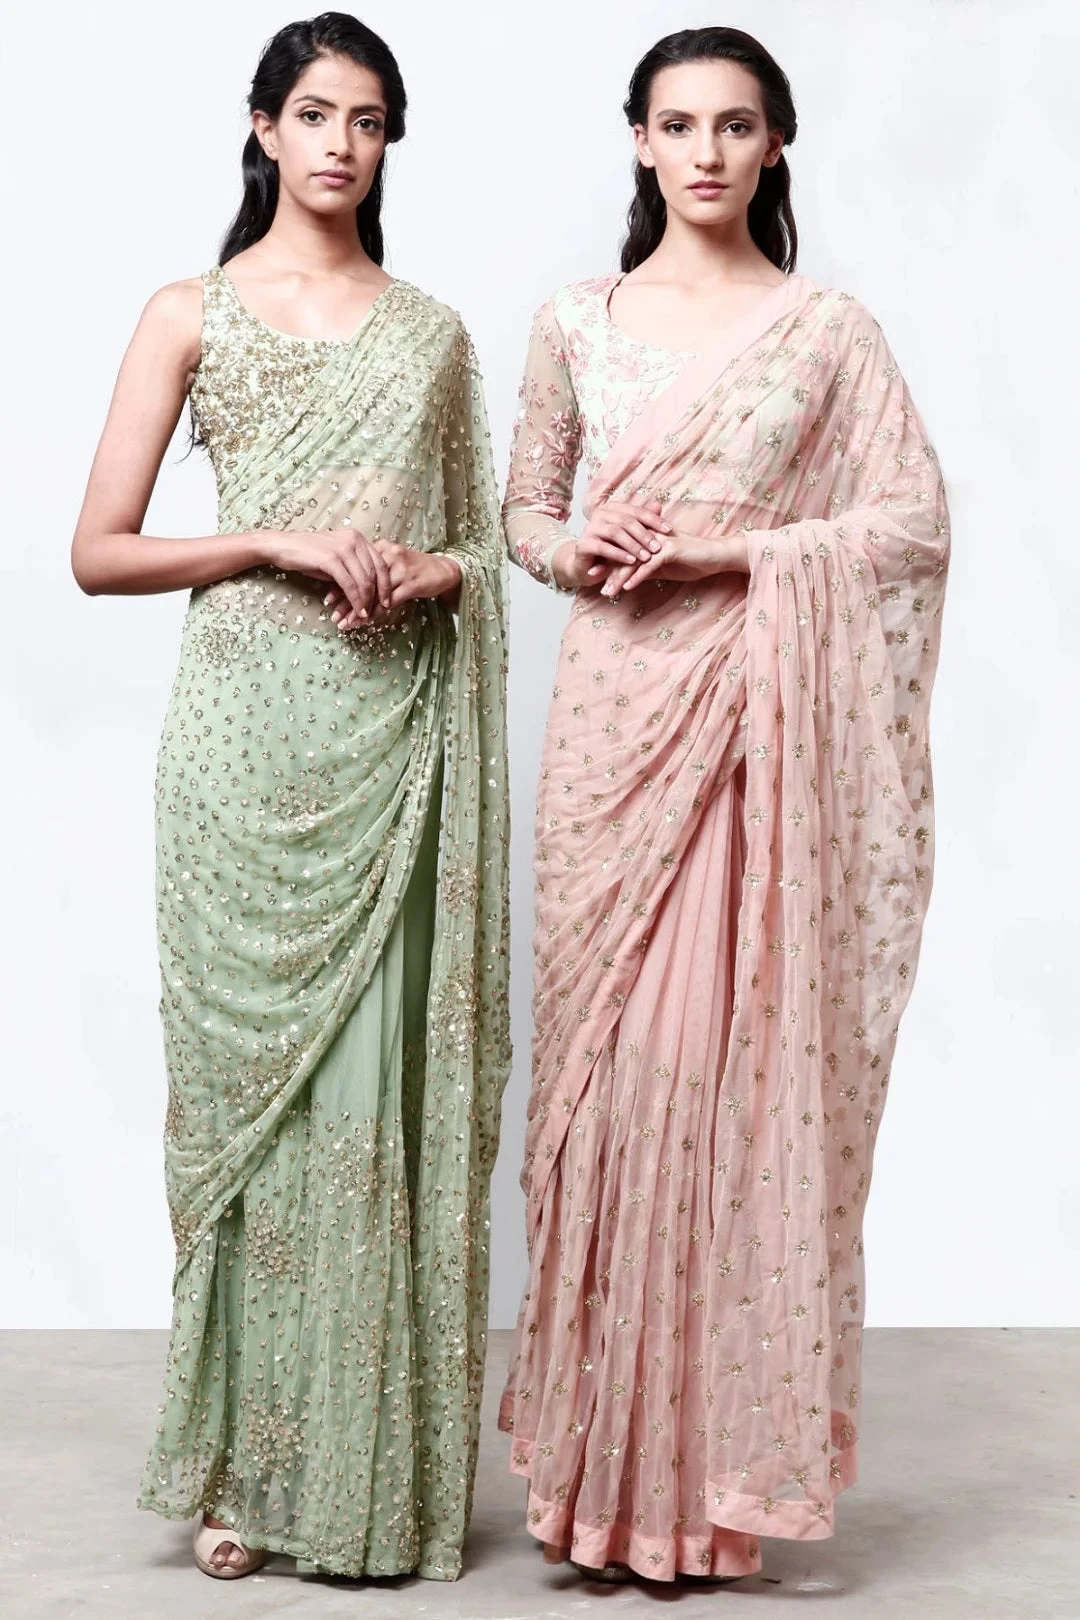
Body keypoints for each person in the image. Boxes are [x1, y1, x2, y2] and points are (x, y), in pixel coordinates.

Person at [498, 25, 948, 1584]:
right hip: (610, 727)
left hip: (750, 729)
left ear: (775, 146)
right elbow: (524, 510)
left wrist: (727, 555)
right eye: (678, 124)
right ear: (638, 140)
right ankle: (593, 1487)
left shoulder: (826, 333)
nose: (705, 152)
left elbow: (909, 521)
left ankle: (695, 1498)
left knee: (712, 1083)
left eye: (735, 125)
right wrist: (575, 552)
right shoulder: (577, 318)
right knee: (603, 1095)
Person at [71, 12, 510, 1583]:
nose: (341, 143)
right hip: (240, 749)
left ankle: (364, 1485)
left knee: (369, 1112)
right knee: (244, 1120)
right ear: (263, 127)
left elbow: (481, 545)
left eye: (368, 119)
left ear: (390, 144)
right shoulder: (186, 312)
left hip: (389, 747)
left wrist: (427, 571)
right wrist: (269, 538)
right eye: (315, 113)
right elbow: (99, 550)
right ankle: (241, 1474)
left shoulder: (434, 334)